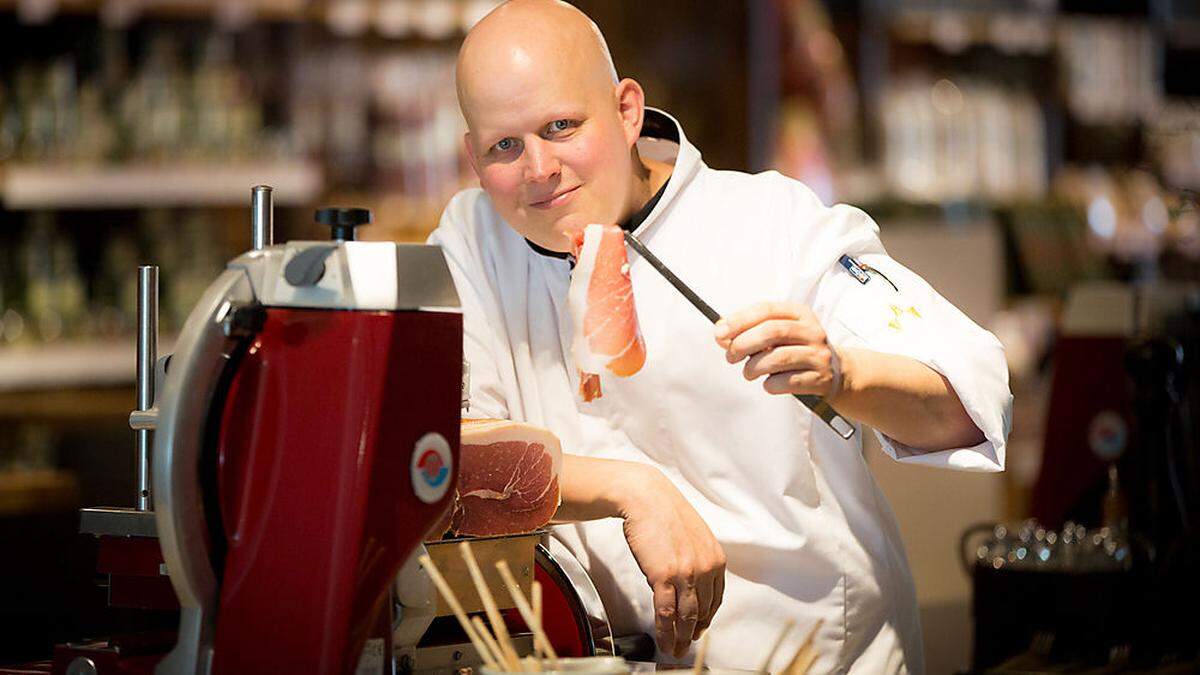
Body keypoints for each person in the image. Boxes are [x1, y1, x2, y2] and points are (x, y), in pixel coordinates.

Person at [430, 1, 1012, 671]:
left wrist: (843, 374)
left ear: (626, 111)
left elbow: (968, 399)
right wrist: (634, 489)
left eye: (561, 126)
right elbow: (444, 460)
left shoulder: (771, 223)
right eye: (505, 146)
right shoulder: (473, 240)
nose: (537, 168)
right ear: (473, 159)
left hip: (809, 654)